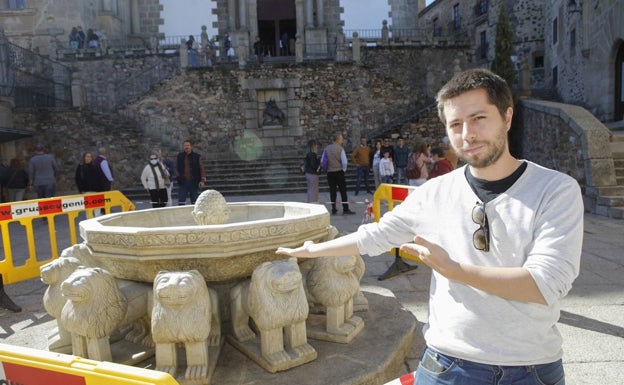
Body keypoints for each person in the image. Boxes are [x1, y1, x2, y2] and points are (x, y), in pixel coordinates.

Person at [277, 68, 584, 385]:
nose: (467, 134)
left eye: (479, 118)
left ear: (507, 118)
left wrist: (454, 270)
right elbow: (376, 236)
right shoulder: (435, 193)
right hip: (448, 366)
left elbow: (545, 284)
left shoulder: (555, 189)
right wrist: (315, 250)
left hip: (531, 369)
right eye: (455, 124)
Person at [320, 133, 355, 215]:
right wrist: (343, 170)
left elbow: (322, 161)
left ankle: (333, 209)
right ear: (338, 139)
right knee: (343, 191)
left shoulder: (327, 148)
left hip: (330, 172)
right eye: (341, 139)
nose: (342, 141)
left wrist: (327, 168)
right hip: (339, 172)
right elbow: (344, 162)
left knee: (332, 191)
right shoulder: (340, 149)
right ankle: (345, 209)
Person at [175, 140, 206, 205]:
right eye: (185, 145)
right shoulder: (179, 156)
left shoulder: (197, 156)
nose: (186, 147)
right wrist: (178, 176)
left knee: (194, 201)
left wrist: (202, 180)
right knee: (181, 201)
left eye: (188, 145)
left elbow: (201, 168)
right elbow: (175, 168)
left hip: (194, 182)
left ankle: (195, 214)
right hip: (183, 182)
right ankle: (181, 215)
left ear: (191, 146)